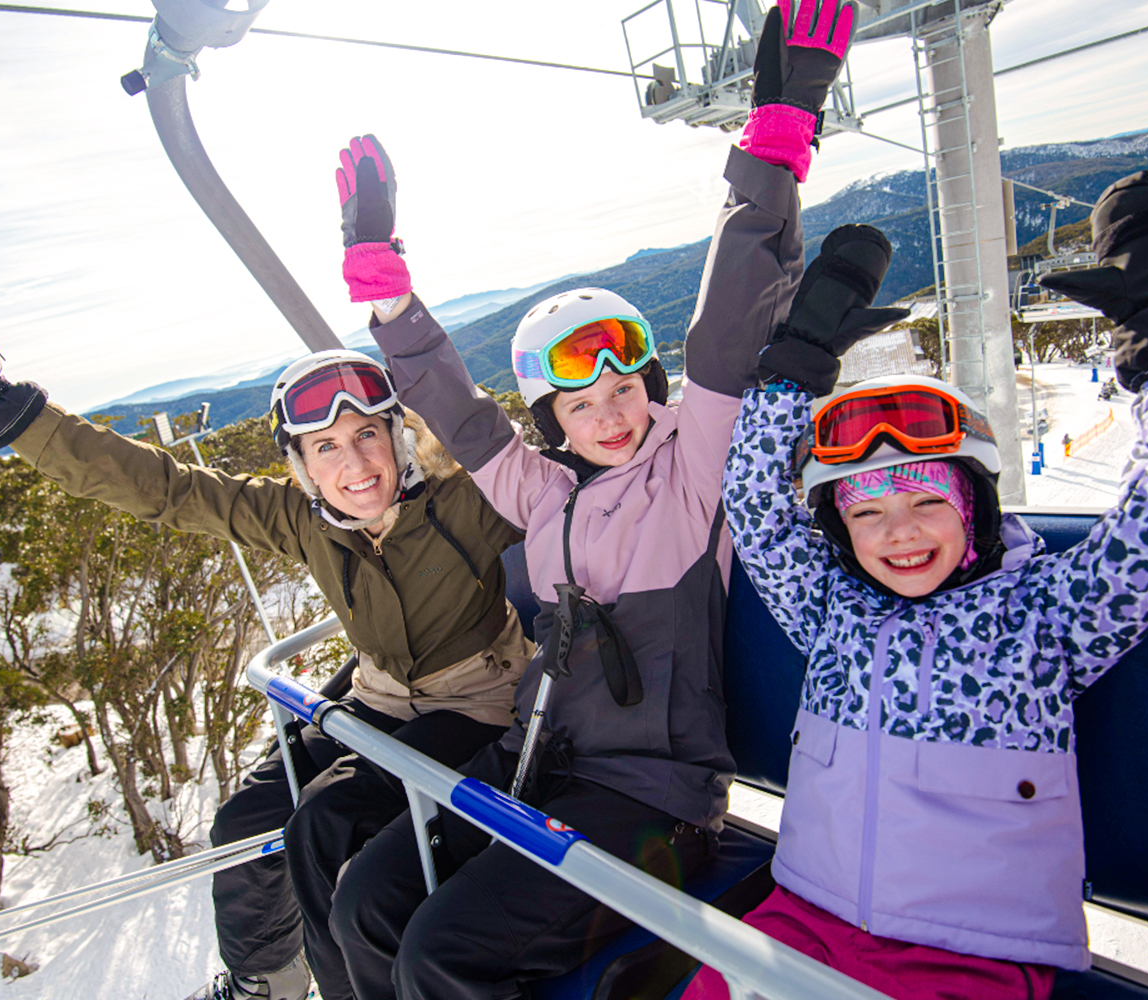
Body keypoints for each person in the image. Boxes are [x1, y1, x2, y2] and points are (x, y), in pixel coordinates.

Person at [308, 4, 897, 998]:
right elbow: (451, 410)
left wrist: (776, 141)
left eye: (625, 388)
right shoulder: (541, 491)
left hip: (650, 797)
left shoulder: (690, 467)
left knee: (441, 952)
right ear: (550, 423)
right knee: (367, 897)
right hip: (536, 756)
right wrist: (385, 293)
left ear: (653, 387)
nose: (610, 415)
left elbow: (723, 330)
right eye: (579, 404)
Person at [0, 290, 537, 1000]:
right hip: (381, 697)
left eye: (368, 435)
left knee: (325, 826)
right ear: (301, 463)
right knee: (242, 822)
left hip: (477, 699)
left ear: (397, 438)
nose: (354, 463)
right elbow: (167, 488)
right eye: (326, 446)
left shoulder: (464, 501)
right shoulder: (304, 521)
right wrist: (18, 417)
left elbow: (563, 494)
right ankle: (265, 978)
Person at [687, 168, 1148, 1000]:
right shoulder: (831, 609)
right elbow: (756, 508)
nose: (901, 532)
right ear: (841, 531)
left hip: (970, 953)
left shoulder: (1046, 614)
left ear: (977, 507)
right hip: (801, 919)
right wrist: (792, 371)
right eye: (867, 514)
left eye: (927, 501)